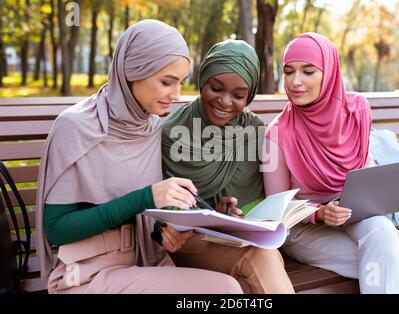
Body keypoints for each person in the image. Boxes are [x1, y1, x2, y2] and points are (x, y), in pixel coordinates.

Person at [35, 20, 243, 294]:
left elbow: (145, 218)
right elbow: (57, 229)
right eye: (166, 82)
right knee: (223, 292)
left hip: (142, 261)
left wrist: (168, 232)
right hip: (86, 274)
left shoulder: (150, 128)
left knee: (233, 285)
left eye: (180, 82)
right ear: (132, 71)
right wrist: (146, 197)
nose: (176, 94)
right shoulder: (75, 126)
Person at [263, 33, 399, 294]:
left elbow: (366, 166)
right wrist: (320, 212)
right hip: (303, 229)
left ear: (330, 72)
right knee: (392, 260)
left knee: (383, 233)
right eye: (288, 72)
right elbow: (275, 208)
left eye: (308, 71)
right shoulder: (276, 133)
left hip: (354, 212)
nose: (295, 82)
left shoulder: (357, 109)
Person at [160, 39, 295, 294]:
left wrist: (228, 214)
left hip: (244, 244)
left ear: (250, 95)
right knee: (258, 259)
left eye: (238, 95)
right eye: (216, 88)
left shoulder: (254, 131)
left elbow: (263, 201)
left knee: (246, 280)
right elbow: (163, 206)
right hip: (187, 244)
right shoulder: (172, 133)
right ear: (203, 80)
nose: (224, 101)